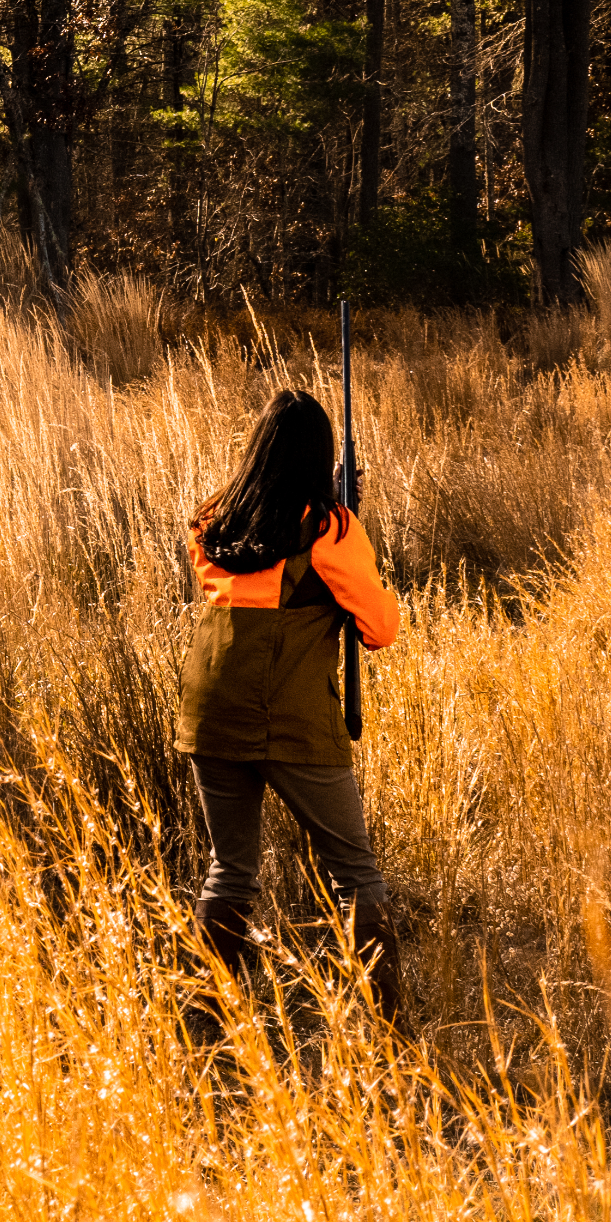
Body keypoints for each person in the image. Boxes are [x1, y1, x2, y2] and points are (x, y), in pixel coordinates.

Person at [179, 387, 402, 1020]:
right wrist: (345, 517)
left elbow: (257, 574)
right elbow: (380, 628)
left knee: (230, 871)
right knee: (356, 875)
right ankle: (389, 1031)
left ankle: (206, 1017)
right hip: (294, 718)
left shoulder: (212, 520)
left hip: (210, 709)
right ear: (319, 457)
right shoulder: (330, 529)